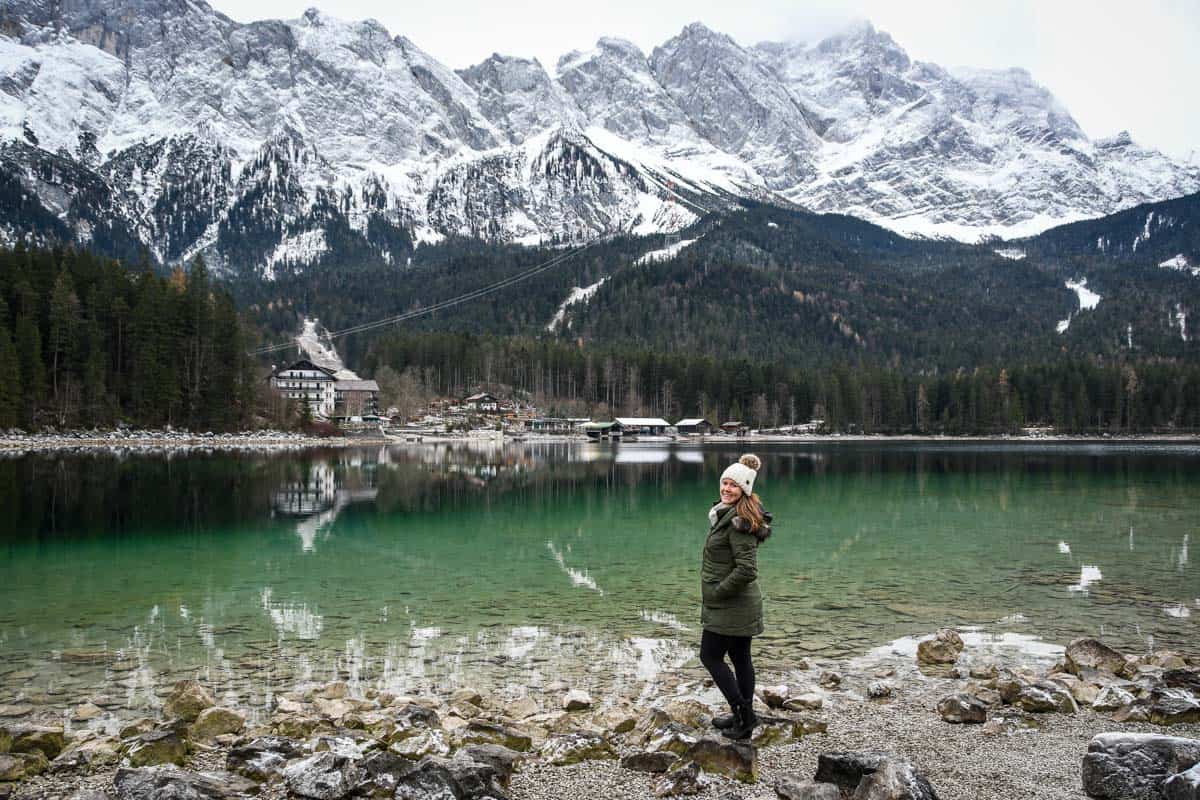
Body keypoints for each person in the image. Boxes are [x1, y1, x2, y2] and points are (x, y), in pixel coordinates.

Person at [699, 453, 772, 740]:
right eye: (724, 483)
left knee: (710, 656)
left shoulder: (739, 522)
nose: (727, 489)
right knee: (740, 656)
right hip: (739, 603)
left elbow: (747, 570)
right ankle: (745, 714)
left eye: (733, 485)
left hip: (732, 603)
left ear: (745, 489)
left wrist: (717, 593)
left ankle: (743, 715)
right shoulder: (728, 513)